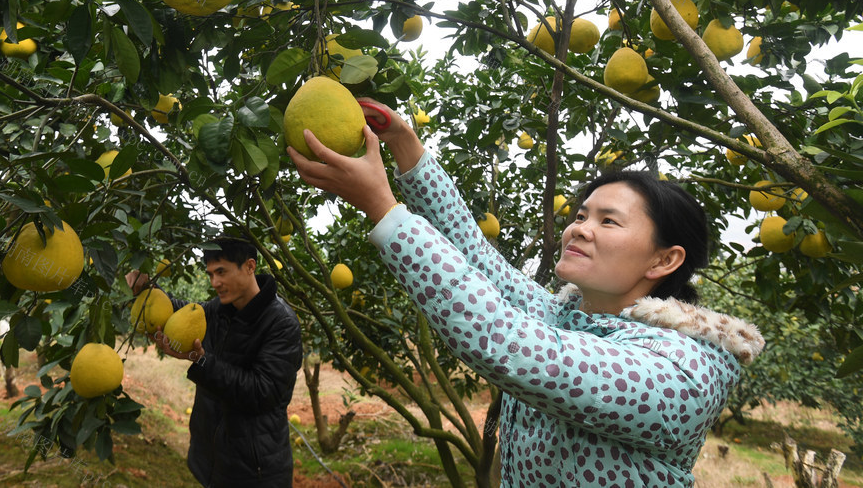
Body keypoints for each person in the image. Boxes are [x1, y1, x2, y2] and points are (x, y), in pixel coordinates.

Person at [288, 101, 764, 488]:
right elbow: (475, 253)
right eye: (580, 215)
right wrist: (407, 145)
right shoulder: (569, 316)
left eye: (608, 221)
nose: (580, 229)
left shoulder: (683, 370)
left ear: (664, 260)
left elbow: (506, 343)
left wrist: (383, 209)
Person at [125, 237, 303, 488]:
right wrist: (148, 290)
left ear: (250, 266)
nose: (214, 282)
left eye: (221, 272)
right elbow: (182, 313)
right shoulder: (220, 309)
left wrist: (202, 361)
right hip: (212, 458)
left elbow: (263, 392)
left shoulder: (281, 323)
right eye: (210, 274)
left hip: (254, 470)